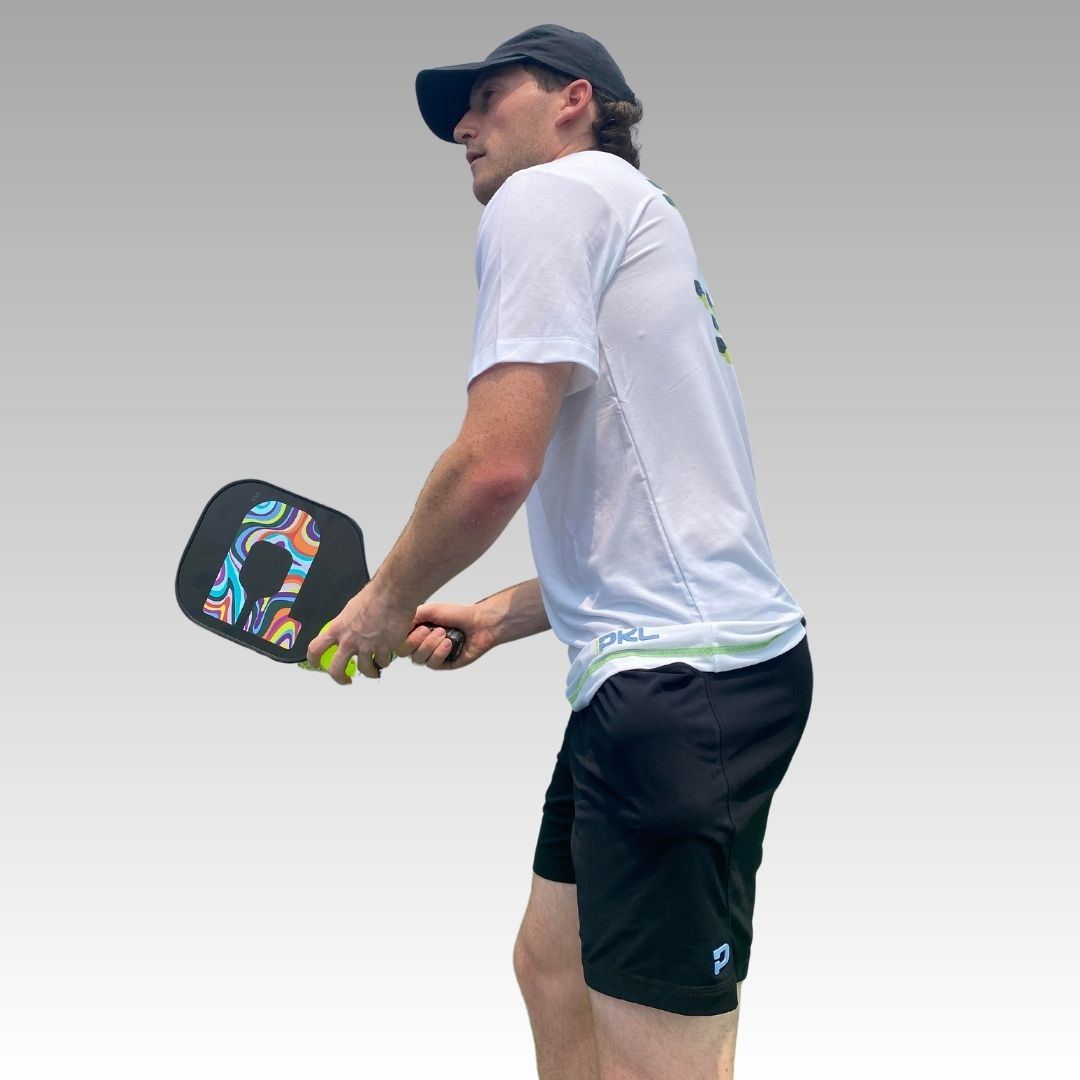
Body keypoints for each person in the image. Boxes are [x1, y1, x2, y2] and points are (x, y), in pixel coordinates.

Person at [307, 23, 813, 1080]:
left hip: (681, 696)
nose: (463, 124)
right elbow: (662, 519)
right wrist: (497, 612)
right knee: (552, 966)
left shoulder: (551, 198)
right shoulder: (643, 224)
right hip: (675, 674)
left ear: (575, 99)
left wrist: (386, 601)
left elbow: (495, 464)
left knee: (659, 1058)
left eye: (491, 96)